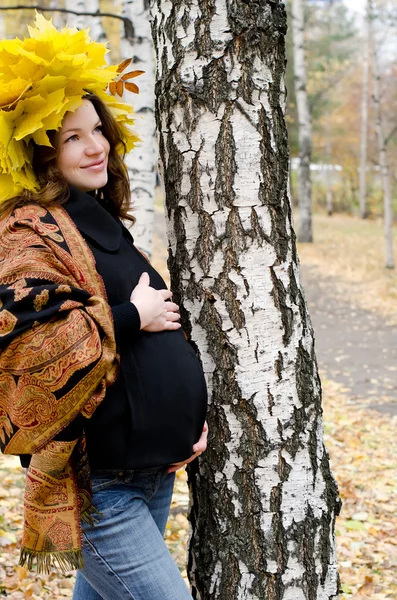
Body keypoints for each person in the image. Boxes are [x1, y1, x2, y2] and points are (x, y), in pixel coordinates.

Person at [0, 14, 208, 600]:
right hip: (98, 488)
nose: (95, 146)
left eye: (97, 130)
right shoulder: (23, 234)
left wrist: (186, 420)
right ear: (38, 151)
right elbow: (32, 348)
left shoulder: (101, 226)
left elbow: (159, 346)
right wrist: (130, 317)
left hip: (153, 473)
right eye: (71, 136)